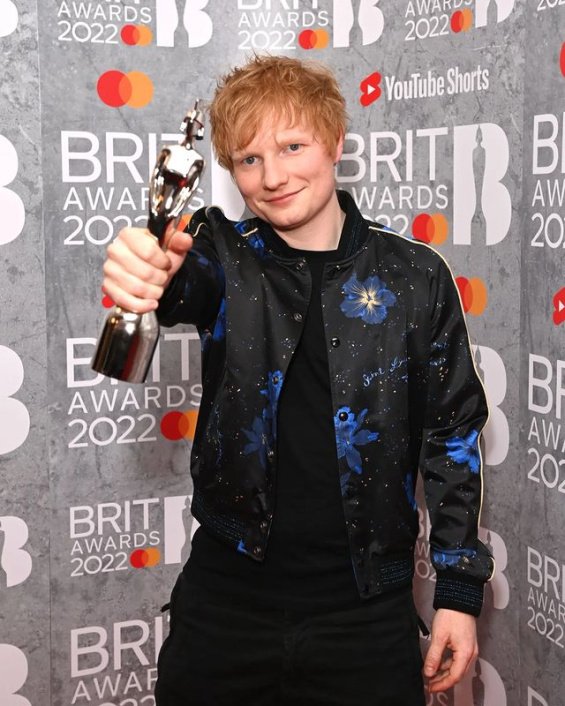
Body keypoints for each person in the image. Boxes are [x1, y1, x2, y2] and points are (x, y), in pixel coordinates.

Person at [102, 55, 494, 706]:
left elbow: (451, 438)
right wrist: (143, 271)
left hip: (366, 618)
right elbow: (176, 277)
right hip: (225, 610)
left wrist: (456, 593)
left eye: (291, 146)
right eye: (249, 159)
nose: (274, 175)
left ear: (335, 143)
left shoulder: (414, 276)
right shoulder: (221, 254)